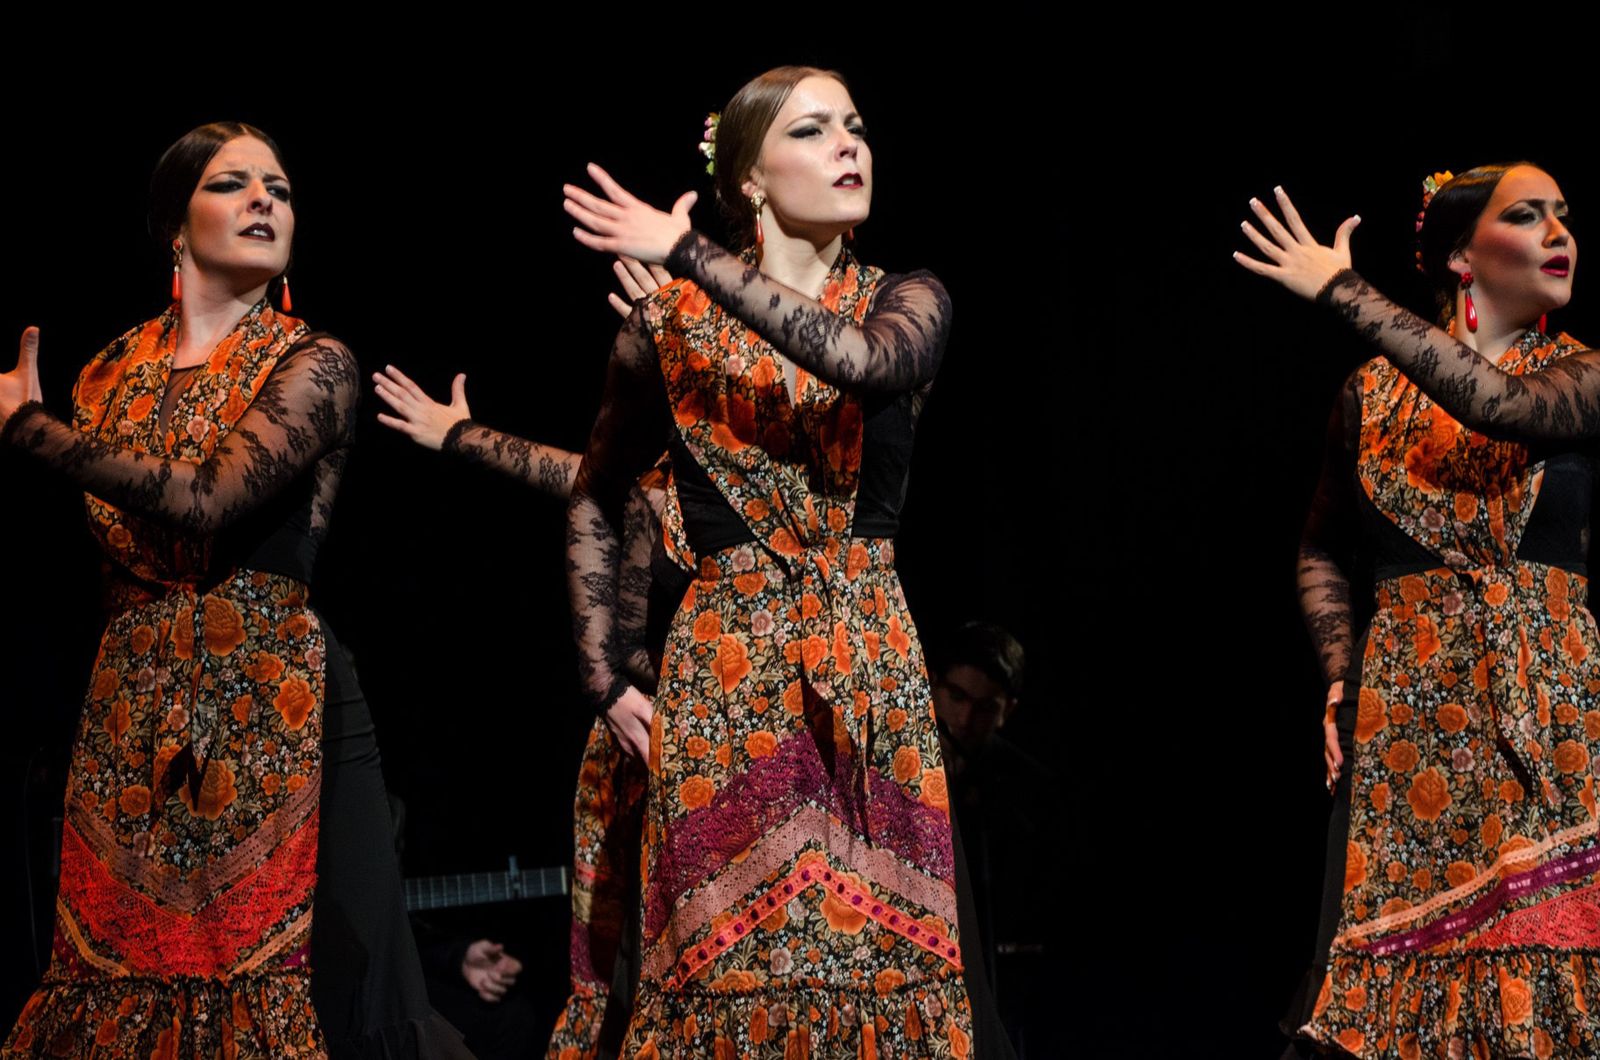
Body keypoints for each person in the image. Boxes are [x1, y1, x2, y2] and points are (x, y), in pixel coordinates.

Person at [0, 123, 470, 1059]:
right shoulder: (104, 372)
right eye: (234, 184)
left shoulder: (315, 362)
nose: (265, 200)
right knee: (115, 980)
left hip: (276, 695)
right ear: (177, 225)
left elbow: (209, 500)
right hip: (129, 706)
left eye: (280, 189)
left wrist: (31, 432)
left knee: (329, 982)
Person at [562, 65, 973, 1056]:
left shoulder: (904, 296)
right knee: (726, 960)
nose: (849, 146)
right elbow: (596, 490)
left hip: (867, 660)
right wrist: (606, 672)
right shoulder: (664, 326)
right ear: (749, 176)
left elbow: (864, 365)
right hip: (726, 675)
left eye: (857, 127)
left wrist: (689, 254)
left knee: (882, 955)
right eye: (814, 131)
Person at [1238, 169, 1600, 1055]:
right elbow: (1322, 547)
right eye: (1527, 215)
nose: (1559, 232)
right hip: (1409, 722)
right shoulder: (1370, 396)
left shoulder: (1582, 374)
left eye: (1564, 216)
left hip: (1543, 716)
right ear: (1459, 256)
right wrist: (1339, 677)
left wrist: (1343, 289)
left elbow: (1496, 404)